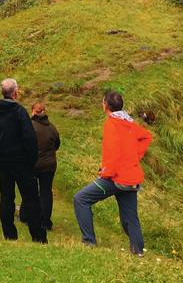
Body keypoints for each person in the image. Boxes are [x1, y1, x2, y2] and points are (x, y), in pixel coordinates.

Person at [73, 90, 152, 256]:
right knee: (130, 218)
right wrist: (134, 156)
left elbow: (113, 152)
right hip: (131, 178)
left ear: (106, 106)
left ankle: (89, 242)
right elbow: (146, 136)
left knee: (81, 199)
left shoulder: (111, 124)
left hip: (115, 177)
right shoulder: (129, 122)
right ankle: (138, 252)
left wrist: (106, 172)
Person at [0, 78, 47, 243]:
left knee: (6, 197)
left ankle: (10, 235)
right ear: (15, 93)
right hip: (22, 161)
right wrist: (31, 159)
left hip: (3, 160)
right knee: (31, 198)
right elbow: (29, 138)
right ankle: (38, 237)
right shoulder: (19, 112)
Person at [29, 102, 61, 230]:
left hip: (33, 163)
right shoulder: (52, 128)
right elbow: (57, 144)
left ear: (33, 111)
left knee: (30, 190)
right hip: (49, 164)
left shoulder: (30, 126)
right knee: (46, 192)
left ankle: (28, 216)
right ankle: (46, 221)